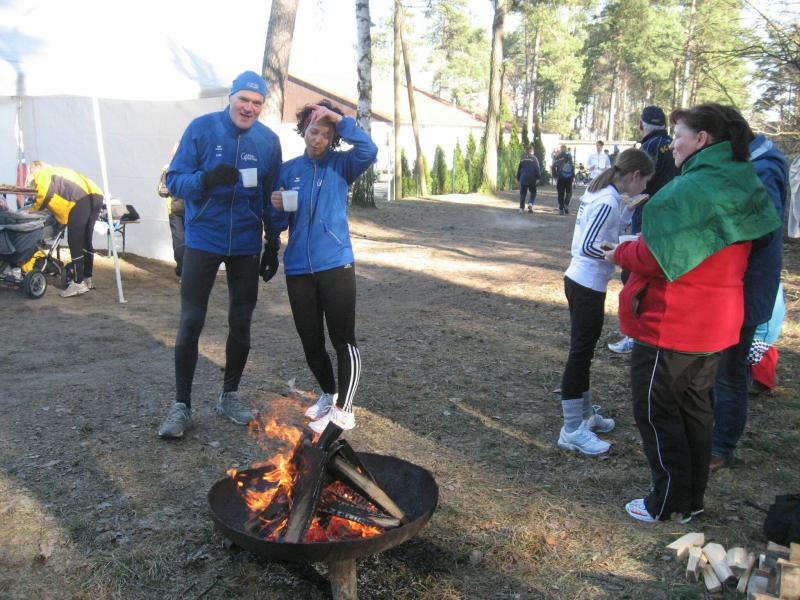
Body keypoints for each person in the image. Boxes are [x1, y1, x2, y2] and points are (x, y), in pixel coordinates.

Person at [606, 103, 781, 523]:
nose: (673, 144)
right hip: (717, 323)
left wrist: (621, 253)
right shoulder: (741, 180)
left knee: (657, 411)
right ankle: (691, 499)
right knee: (696, 411)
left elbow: (657, 258)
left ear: (702, 139)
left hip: (673, 324)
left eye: (679, 136)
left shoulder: (689, 190)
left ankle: (666, 501)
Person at [157, 70, 282, 439]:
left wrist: (273, 241)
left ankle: (230, 395)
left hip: (245, 241)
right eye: (243, 99)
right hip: (203, 238)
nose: (249, 107)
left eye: (257, 102)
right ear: (230, 97)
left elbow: (270, 196)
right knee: (191, 321)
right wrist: (206, 179)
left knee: (241, 320)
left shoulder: (268, 141)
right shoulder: (202, 128)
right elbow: (173, 180)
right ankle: (181, 405)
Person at [268, 100, 378, 434]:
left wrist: (338, 119)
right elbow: (278, 224)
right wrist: (276, 208)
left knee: (343, 339)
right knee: (311, 342)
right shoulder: (288, 170)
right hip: (298, 268)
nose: (319, 140)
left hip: (335, 264)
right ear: (304, 131)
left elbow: (369, 149)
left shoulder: (343, 165)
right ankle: (330, 395)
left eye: (326, 134)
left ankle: (345, 410)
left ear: (333, 138)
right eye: (314, 131)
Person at [557, 149, 654, 456]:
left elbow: (603, 233)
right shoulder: (608, 199)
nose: (644, 187)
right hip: (585, 283)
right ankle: (571, 429)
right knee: (580, 355)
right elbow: (588, 245)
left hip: (586, 282)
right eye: (645, 181)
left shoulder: (606, 194)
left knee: (584, 354)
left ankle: (584, 416)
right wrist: (624, 254)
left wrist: (626, 213)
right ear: (635, 175)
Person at [710, 118, 789, 471]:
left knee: (729, 371)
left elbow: (764, 229)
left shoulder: (761, 169)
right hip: (735, 285)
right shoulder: (755, 163)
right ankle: (714, 436)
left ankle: (721, 447)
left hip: (746, 288)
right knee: (720, 369)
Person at [608, 106, 677, 354]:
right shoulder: (673, 146)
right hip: (670, 221)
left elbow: (642, 186)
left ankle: (634, 335)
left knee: (634, 276)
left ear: (641, 125)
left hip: (648, 216)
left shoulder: (649, 147)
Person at [27, 161, 104, 297]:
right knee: (86, 240)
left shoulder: (43, 174)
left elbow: (44, 195)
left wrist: (31, 211)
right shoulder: (57, 171)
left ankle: (78, 283)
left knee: (75, 241)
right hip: (96, 194)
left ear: (34, 170)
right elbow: (61, 202)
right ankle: (87, 278)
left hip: (82, 198)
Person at [157, 143, 185, 278]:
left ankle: (182, 270)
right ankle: (184, 270)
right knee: (187, 241)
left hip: (177, 209)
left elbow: (162, 191)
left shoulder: (168, 168)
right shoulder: (196, 166)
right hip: (188, 210)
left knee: (179, 240)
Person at [516, 145, 540, 213]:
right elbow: (537, 169)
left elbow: (519, 169)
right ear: (532, 151)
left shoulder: (522, 158)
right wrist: (538, 178)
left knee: (523, 193)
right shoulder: (535, 159)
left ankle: (521, 209)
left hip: (523, 178)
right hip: (532, 178)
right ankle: (530, 203)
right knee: (533, 192)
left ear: (526, 151)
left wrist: (518, 178)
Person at [553, 145, 574, 215]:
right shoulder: (569, 156)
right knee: (569, 193)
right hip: (569, 178)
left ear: (561, 149)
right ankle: (566, 204)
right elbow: (572, 166)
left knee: (560, 193)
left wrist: (555, 175)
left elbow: (553, 166)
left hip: (560, 177)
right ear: (566, 149)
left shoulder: (558, 156)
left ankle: (561, 209)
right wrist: (573, 176)